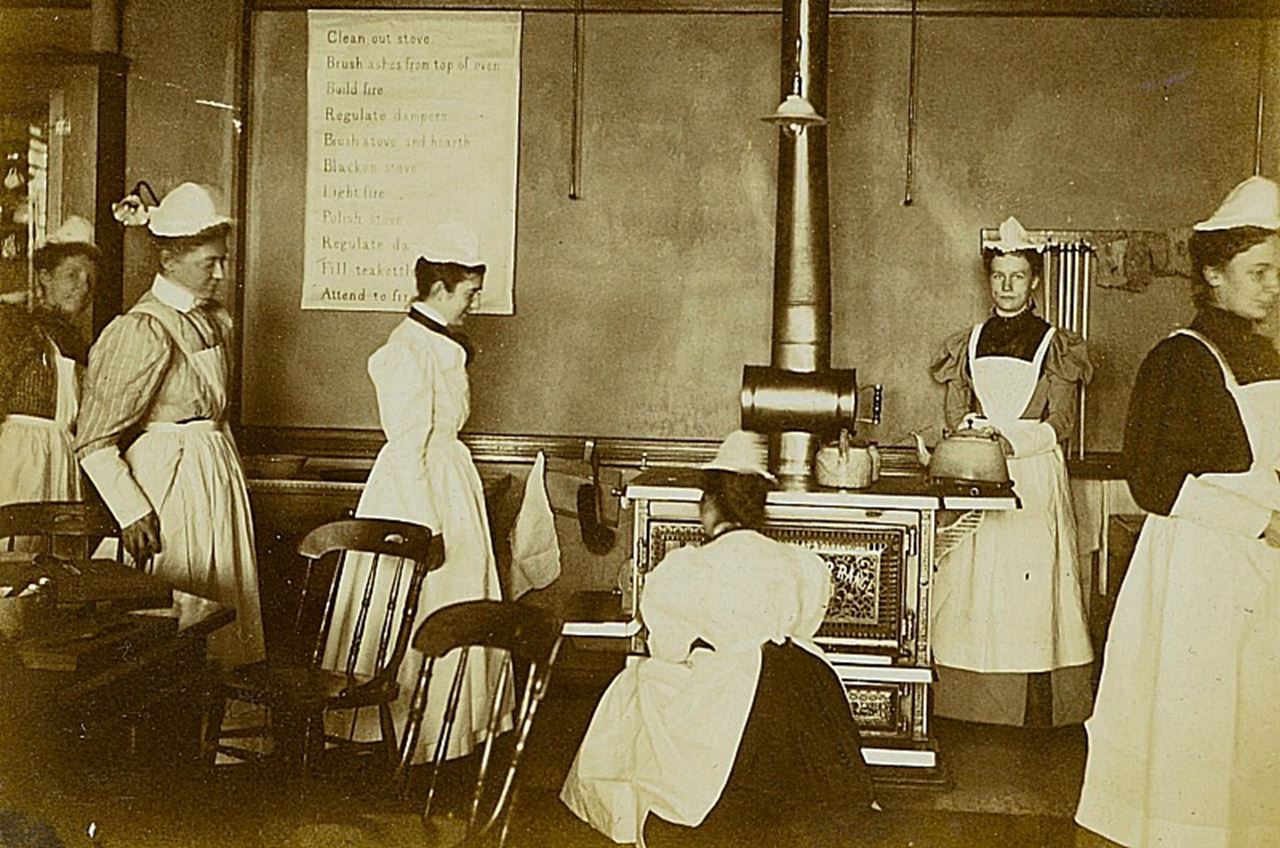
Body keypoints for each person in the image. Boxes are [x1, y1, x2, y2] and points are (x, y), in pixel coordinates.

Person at [1076, 176, 1280, 847]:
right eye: (1259, 271)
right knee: (1197, 722)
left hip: (1262, 569)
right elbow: (1153, 482)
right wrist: (1262, 522)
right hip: (1201, 569)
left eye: (1277, 271)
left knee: (1252, 723)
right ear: (1214, 275)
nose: (1272, 285)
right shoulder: (1178, 360)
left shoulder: (1265, 354)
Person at [561, 430, 877, 846]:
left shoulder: (692, 566)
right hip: (803, 687)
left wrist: (707, 649)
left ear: (710, 504)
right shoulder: (796, 562)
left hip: (733, 696)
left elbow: (668, 647)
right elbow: (802, 628)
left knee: (640, 682)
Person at [321, 221, 509, 762]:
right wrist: (427, 529)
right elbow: (407, 447)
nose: (473, 303)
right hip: (416, 492)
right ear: (441, 288)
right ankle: (407, 736)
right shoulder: (406, 350)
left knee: (456, 600)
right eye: (469, 293)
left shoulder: (438, 343)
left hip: (449, 478)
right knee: (421, 600)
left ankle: (445, 735)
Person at [74, 182, 264, 666]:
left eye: (223, 260)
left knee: (224, 608)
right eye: (209, 263)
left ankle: (215, 731)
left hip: (215, 474)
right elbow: (93, 439)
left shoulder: (213, 320)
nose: (221, 273)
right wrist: (131, 509)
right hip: (171, 488)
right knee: (185, 612)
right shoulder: (142, 329)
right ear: (168, 261)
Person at [928, 216, 1094, 726]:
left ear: (1034, 281)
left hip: (1034, 478)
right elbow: (955, 412)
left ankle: (1032, 713)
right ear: (989, 280)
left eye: (1017, 276)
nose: (1006, 286)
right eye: (999, 276)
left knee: (1028, 591)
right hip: (980, 471)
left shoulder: (1055, 344)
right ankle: (964, 705)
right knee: (972, 583)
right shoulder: (969, 342)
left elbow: (1060, 424)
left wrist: (1009, 439)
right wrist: (974, 433)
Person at [0, 216, 97, 508]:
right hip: (18, 461)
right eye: (72, 275)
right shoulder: (16, 329)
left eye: (90, 279)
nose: (83, 288)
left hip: (63, 461)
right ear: (45, 276)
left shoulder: (80, 346)